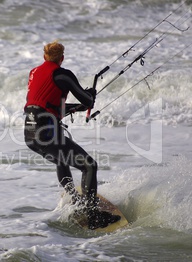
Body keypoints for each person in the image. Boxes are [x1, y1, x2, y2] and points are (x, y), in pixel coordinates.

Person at [24, 41, 120, 229]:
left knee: (62, 158)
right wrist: (89, 95)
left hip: (29, 134)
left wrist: (77, 107)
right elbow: (87, 100)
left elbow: (44, 105)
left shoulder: (34, 72)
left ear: (44, 57)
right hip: (46, 132)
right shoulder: (63, 74)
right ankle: (93, 216)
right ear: (62, 58)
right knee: (89, 165)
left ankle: (75, 199)